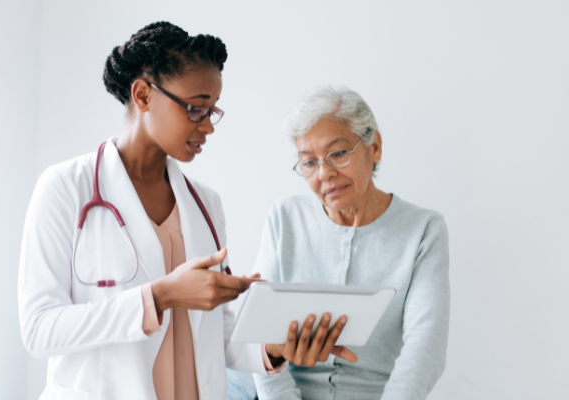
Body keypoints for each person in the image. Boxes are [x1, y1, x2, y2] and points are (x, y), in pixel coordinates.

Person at [17, 23, 354, 400]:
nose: (208, 126)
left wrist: (275, 348)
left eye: (213, 111)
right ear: (143, 95)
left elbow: (212, 334)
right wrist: (160, 297)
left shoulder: (206, 205)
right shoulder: (66, 188)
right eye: (196, 109)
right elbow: (39, 329)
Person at [239, 85, 449, 400]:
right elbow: (258, 335)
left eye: (337, 153)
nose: (324, 173)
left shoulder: (423, 230)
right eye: (309, 162)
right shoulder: (285, 217)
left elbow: (425, 346)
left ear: (374, 146)